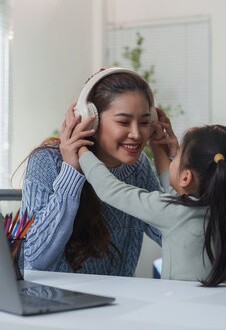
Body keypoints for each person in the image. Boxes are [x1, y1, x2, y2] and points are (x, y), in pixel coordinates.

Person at [77, 109, 226, 286]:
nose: (174, 158)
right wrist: (158, 147)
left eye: (178, 154)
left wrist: (82, 148)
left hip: (179, 311)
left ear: (186, 176)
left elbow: (111, 190)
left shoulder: (171, 212)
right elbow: (178, 191)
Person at [20, 68, 162, 276]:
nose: (136, 134)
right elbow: (36, 257)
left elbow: (177, 235)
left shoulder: (138, 166)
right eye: (123, 122)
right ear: (91, 119)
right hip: (56, 300)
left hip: (118, 301)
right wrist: (71, 172)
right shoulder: (48, 161)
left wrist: (166, 162)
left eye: (144, 122)